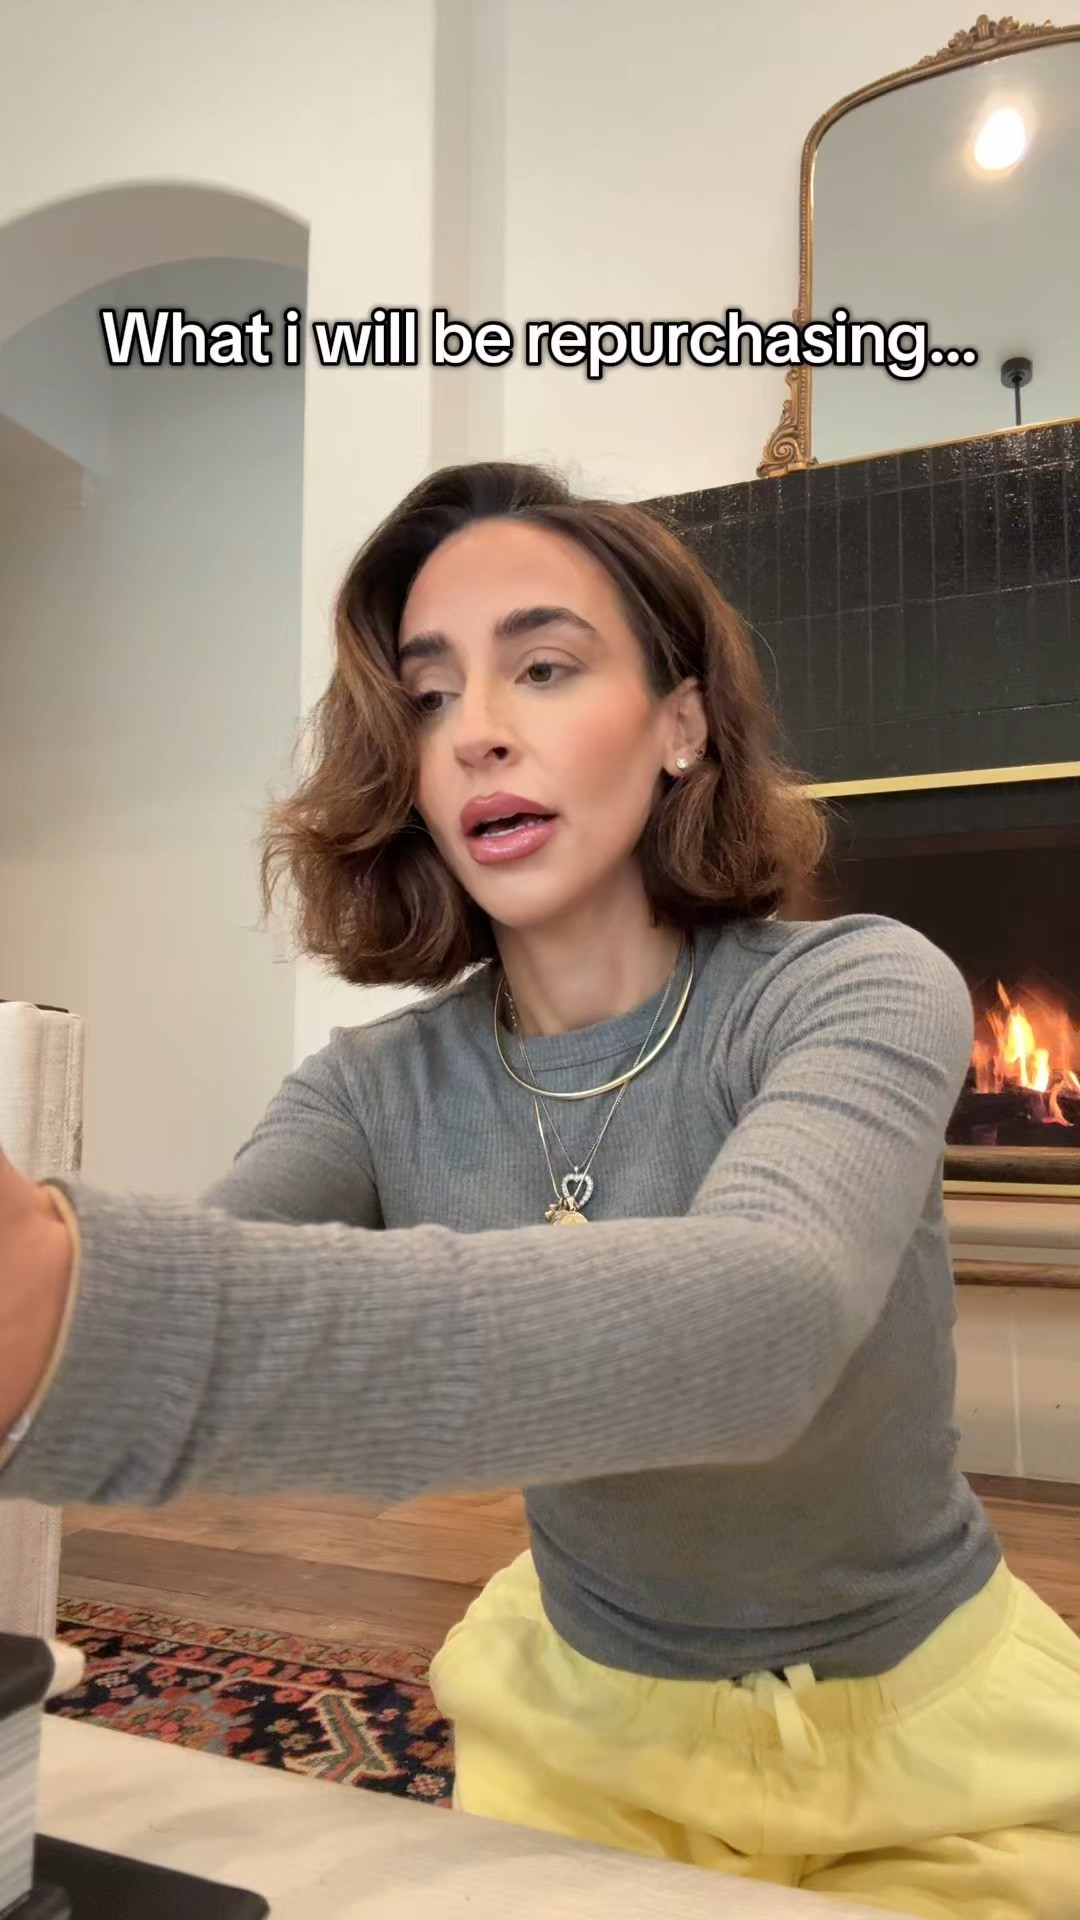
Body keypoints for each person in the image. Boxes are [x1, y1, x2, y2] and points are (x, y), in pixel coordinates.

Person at [2, 459, 1079, 1918]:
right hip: (585, 1725)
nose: (477, 734)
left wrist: (75, 1310)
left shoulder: (861, 986)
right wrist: (64, 1316)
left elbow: (768, 1321)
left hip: (931, 1735)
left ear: (682, 723)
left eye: (546, 668)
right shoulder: (365, 1088)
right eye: (429, 697)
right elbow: (214, 1265)